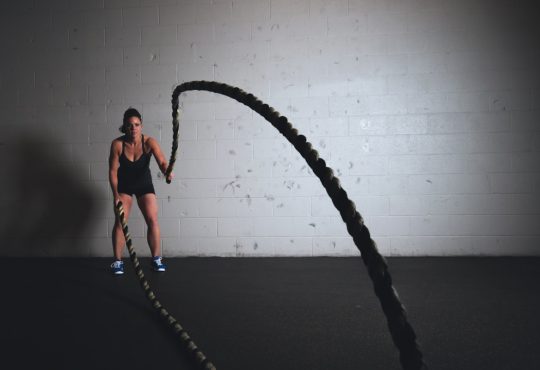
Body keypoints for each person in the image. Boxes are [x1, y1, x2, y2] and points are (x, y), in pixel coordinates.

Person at [108, 107, 173, 275]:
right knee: (120, 222)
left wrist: (167, 171)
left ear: (141, 126)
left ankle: (156, 259)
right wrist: (115, 195)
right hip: (125, 186)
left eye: (137, 124)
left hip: (144, 185)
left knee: (153, 219)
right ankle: (117, 261)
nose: (133, 128)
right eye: (130, 125)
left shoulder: (149, 142)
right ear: (125, 126)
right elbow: (113, 171)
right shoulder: (117, 144)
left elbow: (162, 162)